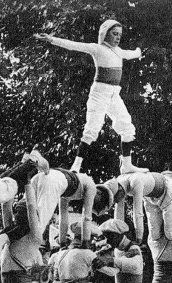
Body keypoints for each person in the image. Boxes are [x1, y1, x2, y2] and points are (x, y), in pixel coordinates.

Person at [34, 20, 148, 174]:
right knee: (92, 128)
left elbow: (132, 53)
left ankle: (127, 165)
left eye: (120, 35)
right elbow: (73, 45)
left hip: (114, 94)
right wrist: (51, 39)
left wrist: (140, 50)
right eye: (115, 34)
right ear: (105, 34)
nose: (118, 38)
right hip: (99, 93)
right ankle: (76, 166)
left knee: (126, 125)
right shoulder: (97, 49)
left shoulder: (119, 51)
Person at [95, 172, 172, 246]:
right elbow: (118, 216)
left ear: (119, 191)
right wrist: (117, 234)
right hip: (150, 198)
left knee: (170, 234)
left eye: (115, 199)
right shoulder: (118, 184)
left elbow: (138, 213)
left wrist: (138, 239)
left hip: (168, 191)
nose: (116, 202)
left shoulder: (135, 182)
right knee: (154, 236)